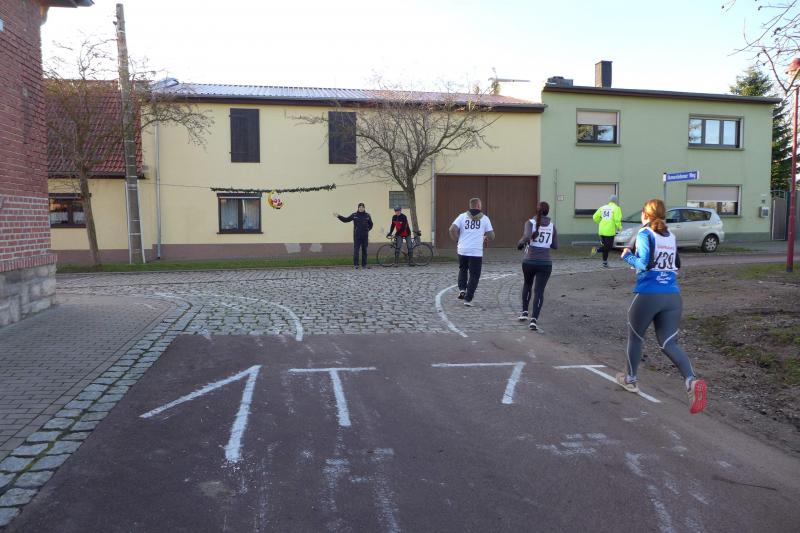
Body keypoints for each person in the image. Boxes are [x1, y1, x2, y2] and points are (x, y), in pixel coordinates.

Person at [617, 198, 707, 415]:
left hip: (649, 293)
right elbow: (677, 264)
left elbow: (644, 264)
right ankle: (691, 380)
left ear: (645, 215)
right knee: (669, 343)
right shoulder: (670, 236)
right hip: (672, 295)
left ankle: (630, 379)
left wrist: (628, 256)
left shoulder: (645, 234)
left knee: (636, 337)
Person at [516, 201, 558, 331]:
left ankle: (524, 312)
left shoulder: (530, 223)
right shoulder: (552, 226)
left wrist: (520, 243)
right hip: (545, 263)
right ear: (548, 212)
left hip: (529, 261)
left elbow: (527, 237)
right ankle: (534, 319)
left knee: (527, 284)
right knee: (539, 291)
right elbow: (555, 245)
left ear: (537, 210)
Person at [449, 198, 495, 307]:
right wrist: (485, 236)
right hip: (475, 251)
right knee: (474, 275)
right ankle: (468, 299)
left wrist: (457, 240)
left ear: (471, 206)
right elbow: (492, 236)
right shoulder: (484, 218)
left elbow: (451, 229)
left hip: (462, 249)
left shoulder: (462, 216)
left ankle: (462, 289)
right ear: (478, 206)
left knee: (463, 269)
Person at [334, 202, 373, 269]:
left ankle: (364, 265)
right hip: (357, 236)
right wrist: (339, 216)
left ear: (364, 208)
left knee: (364, 250)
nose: (361, 208)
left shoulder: (367, 215)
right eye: (360, 207)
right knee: (356, 250)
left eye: (362, 207)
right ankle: (356, 265)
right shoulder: (354, 215)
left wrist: (367, 230)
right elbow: (346, 220)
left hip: (365, 236)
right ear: (358, 208)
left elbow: (371, 224)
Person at [592, 194, 622, 267]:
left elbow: (595, 217)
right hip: (609, 231)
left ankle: (604, 262)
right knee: (609, 247)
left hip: (601, 230)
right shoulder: (616, 208)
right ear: (616, 201)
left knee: (605, 247)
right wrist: (619, 227)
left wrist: (600, 222)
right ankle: (596, 250)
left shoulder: (603, 207)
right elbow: (617, 219)